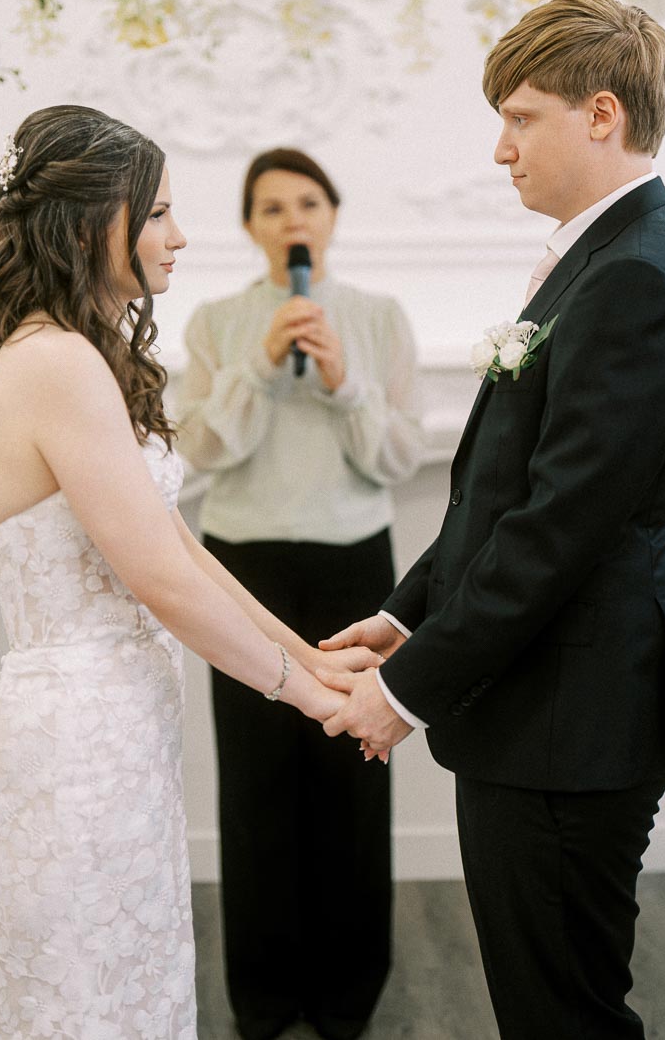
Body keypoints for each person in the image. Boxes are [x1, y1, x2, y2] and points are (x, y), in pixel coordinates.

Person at [0, 106, 376, 1040]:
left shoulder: (86, 353)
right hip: (69, 757)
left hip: (116, 746)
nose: (179, 235)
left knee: (123, 995)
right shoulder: (55, 361)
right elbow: (159, 577)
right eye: (156, 213)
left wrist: (316, 659)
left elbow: (182, 552)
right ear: (91, 224)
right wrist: (313, 698)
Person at [320, 0, 665, 1040]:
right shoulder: (602, 259)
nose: (500, 150)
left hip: (569, 721)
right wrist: (407, 615)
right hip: (544, 711)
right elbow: (503, 492)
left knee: (563, 1017)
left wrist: (404, 694)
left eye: (520, 117)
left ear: (602, 113)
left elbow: (557, 535)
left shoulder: (636, 278)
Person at [176, 148, 424, 1040]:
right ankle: (266, 997)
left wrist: (341, 380)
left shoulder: (378, 317)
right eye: (272, 207)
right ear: (249, 226)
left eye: (308, 203)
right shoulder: (213, 321)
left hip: (354, 568)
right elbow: (198, 454)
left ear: (332, 215)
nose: (292, 221)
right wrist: (257, 360)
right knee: (255, 781)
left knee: (352, 777)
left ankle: (349, 992)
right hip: (242, 570)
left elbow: (398, 457)